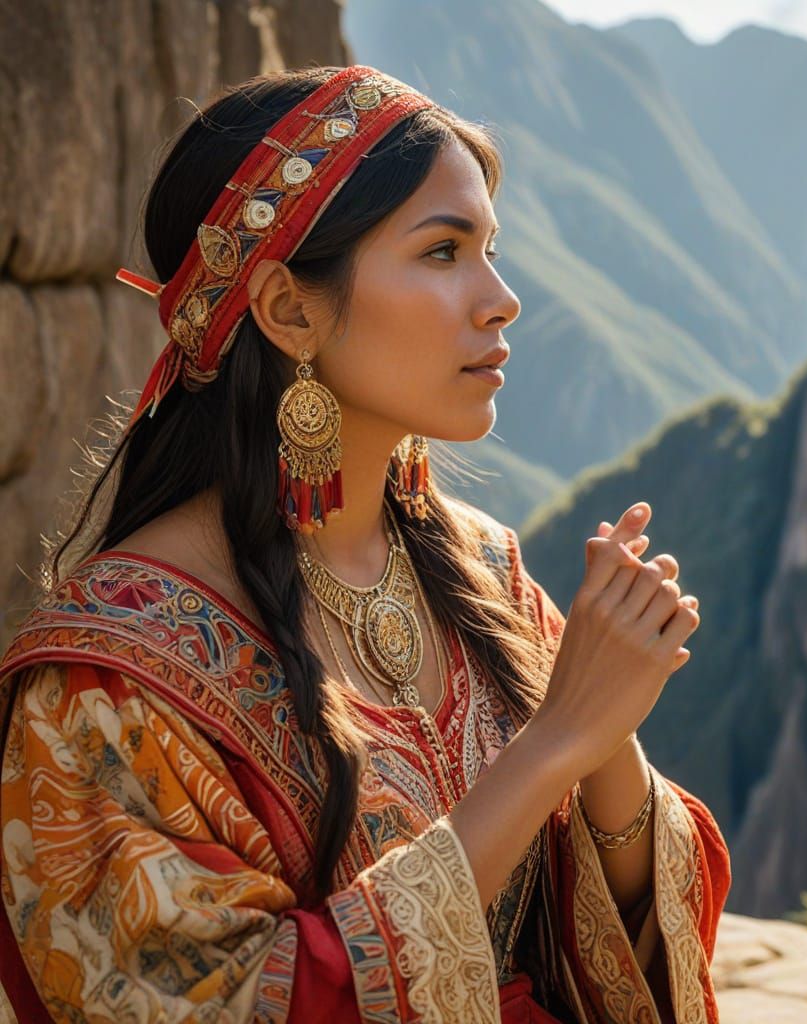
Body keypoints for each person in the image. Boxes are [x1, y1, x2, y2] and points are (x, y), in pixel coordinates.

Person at [0, 64, 730, 1023]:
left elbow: (626, 925)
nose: (502, 299)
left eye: (491, 250)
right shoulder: (111, 685)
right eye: (442, 253)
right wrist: (553, 741)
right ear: (289, 309)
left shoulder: (484, 574)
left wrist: (605, 732)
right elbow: (220, 1003)